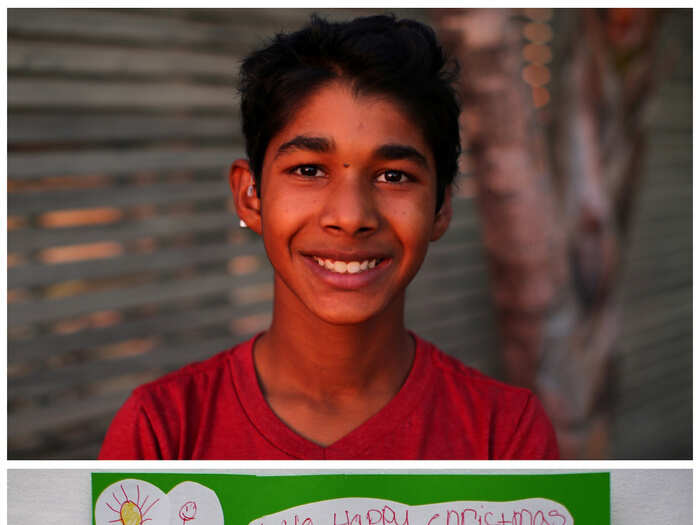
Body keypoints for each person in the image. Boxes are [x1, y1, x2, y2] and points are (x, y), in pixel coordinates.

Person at [99, 14, 559, 459]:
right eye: (308, 170)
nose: (351, 216)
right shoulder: (163, 435)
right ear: (250, 195)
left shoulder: (504, 436)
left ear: (441, 208)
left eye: (394, 176)